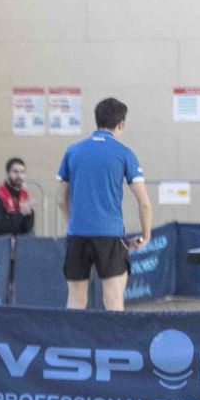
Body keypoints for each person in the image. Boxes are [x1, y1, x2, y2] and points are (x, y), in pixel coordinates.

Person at [58, 97, 152, 312]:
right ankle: (114, 345)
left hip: (77, 234)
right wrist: (145, 235)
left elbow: (60, 198)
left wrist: (71, 224)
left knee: (76, 301)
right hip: (110, 236)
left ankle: (74, 345)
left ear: (97, 120)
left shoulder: (73, 151)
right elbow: (144, 203)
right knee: (113, 301)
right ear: (121, 124)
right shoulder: (125, 154)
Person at [0, 158, 35, 238]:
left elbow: (27, 228)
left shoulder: (24, 195)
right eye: (15, 172)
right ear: (8, 174)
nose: (19, 176)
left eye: (22, 172)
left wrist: (29, 215)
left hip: (19, 242)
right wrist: (21, 214)